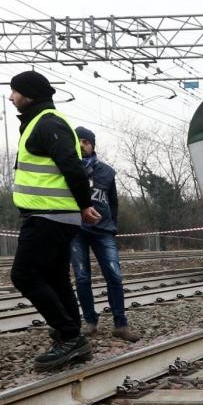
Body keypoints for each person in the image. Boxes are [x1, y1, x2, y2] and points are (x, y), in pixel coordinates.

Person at [8, 70, 100, 372]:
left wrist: (85, 205)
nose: (11, 97)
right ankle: (70, 334)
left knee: (24, 275)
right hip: (51, 215)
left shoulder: (48, 123)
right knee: (55, 277)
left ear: (30, 94)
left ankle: (70, 335)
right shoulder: (39, 122)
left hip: (49, 215)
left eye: (15, 92)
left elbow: (72, 167)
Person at [70, 127, 140, 341]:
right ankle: (90, 322)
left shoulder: (107, 172)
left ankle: (121, 324)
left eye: (86, 141)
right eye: (78, 141)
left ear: (92, 144)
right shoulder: (68, 170)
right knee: (82, 278)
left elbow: (114, 202)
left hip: (103, 230)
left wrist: (113, 226)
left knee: (114, 276)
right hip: (76, 230)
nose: (82, 145)